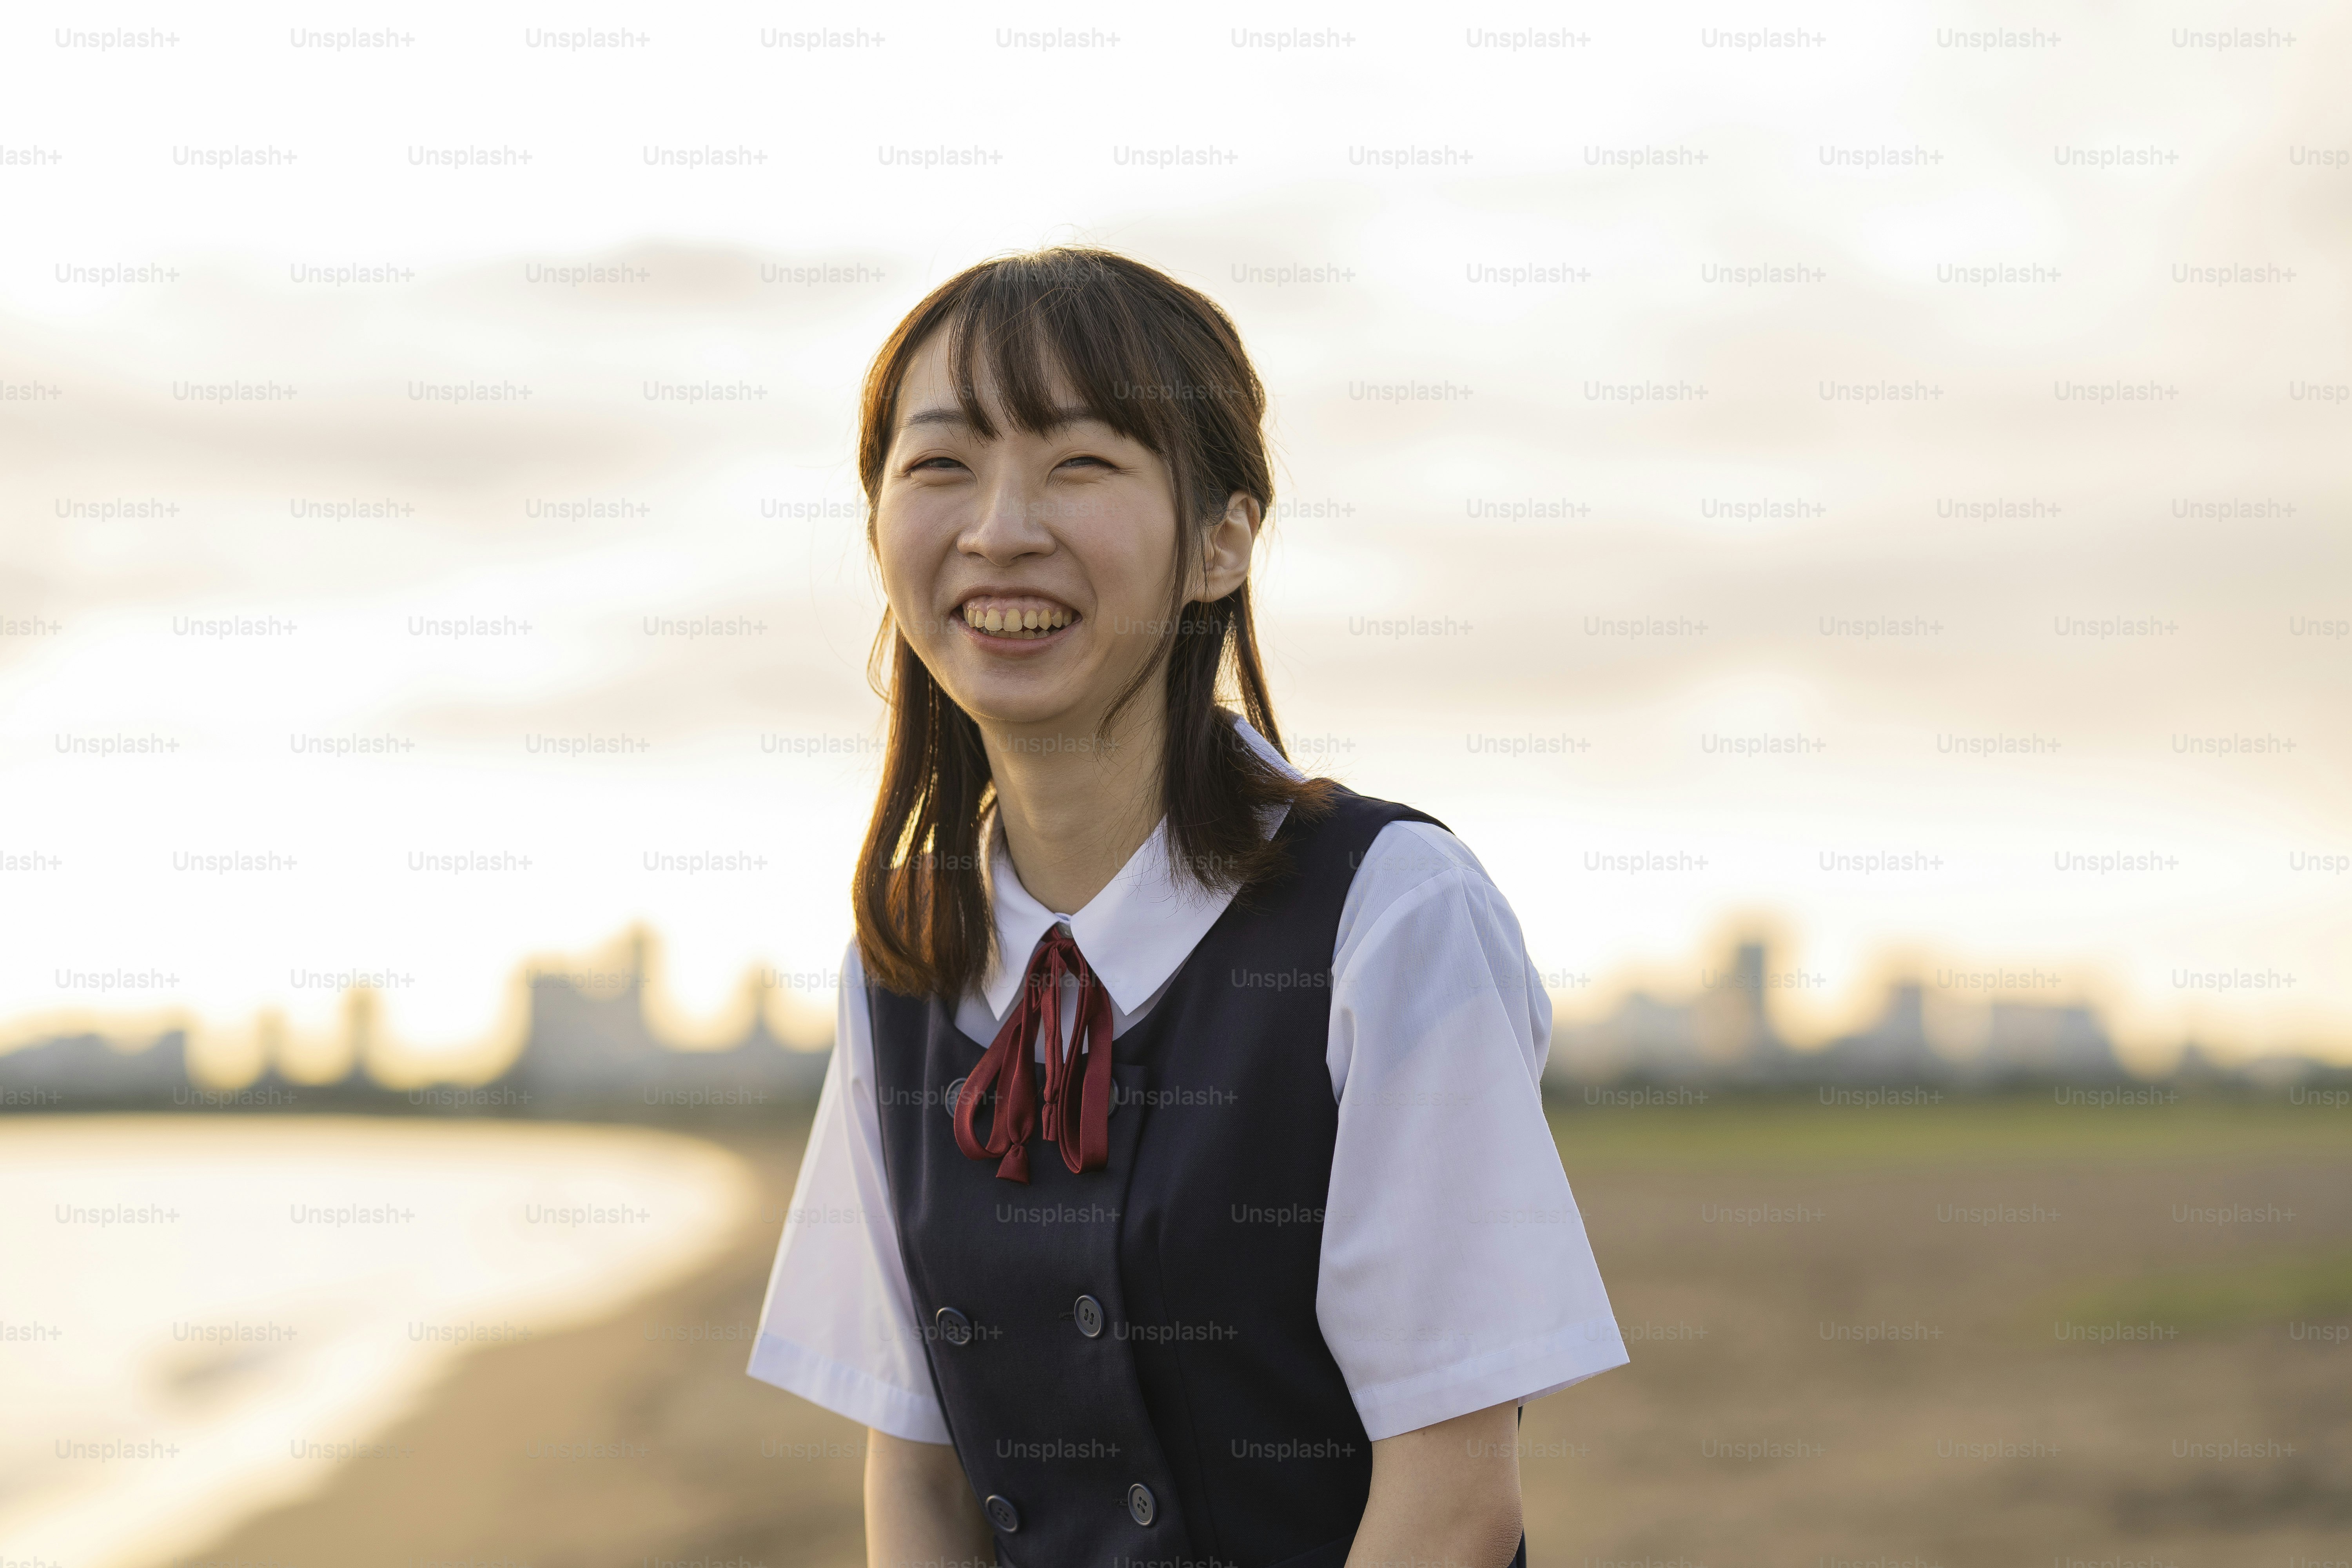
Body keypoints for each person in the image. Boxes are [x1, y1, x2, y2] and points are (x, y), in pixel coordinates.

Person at [748, 246, 1625, 1568]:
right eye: (940, 465)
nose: (999, 528)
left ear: (1222, 541)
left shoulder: (1385, 913)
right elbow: (918, 1478)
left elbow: (1455, 1506)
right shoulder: (906, 964)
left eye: (1079, 464)